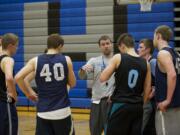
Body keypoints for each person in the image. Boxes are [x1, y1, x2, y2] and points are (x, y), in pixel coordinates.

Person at [15, 34, 76, 135]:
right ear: (60, 46)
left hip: (43, 112)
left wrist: (28, 93)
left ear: (48, 45)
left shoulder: (35, 60)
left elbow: (18, 78)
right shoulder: (66, 59)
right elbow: (73, 83)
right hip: (62, 111)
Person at [100, 33, 151, 135]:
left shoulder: (118, 57)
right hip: (137, 107)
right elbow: (147, 89)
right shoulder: (146, 63)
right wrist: (141, 104)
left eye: (120, 49)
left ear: (122, 45)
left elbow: (103, 78)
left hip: (120, 105)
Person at [78, 35, 115, 135]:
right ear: (100, 47)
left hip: (111, 101)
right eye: (103, 44)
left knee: (111, 130)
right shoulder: (94, 61)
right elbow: (82, 76)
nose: (106, 46)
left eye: (108, 43)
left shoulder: (117, 60)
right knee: (94, 131)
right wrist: (83, 70)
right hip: (97, 102)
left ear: (111, 45)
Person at [153, 25, 180, 135]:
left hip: (167, 108)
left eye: (154, 36)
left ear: (158, 36)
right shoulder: (176, 53)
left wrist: (167, 100)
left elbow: (172, 75)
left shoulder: (163, 53)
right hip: (176, 105)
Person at [0, 33, 19, 135]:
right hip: (5, 103)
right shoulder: (8, 59)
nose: (17, 49)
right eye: (16, 46)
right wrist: (14, 94)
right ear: (11, 46)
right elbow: (9, 77)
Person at [138, 39, 156, 135]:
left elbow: (161, 81)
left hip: (151, 104)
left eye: (141, 47)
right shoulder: (142, 62)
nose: (138, 49)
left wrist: (153, 92)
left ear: (148, 50)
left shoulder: (152, 62)